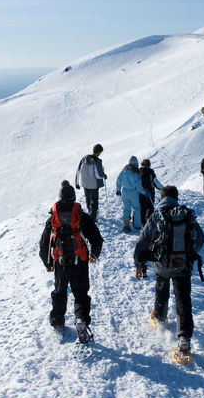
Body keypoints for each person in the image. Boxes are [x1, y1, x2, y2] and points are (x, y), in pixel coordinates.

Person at [134, 185, 204, 356]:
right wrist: (188, 253)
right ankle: (184, 338)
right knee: (183, 299)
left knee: (161, 288)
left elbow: (142, 241)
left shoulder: (157, 215)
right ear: (176, 197)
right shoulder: (187, 215)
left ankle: (160, 316)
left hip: (162, 264)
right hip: (182, 264)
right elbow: (200, 239)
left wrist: (139, 263)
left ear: (162, 197)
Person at [39, 183, 103, 342]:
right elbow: (97, 239)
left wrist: (48, 264)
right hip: (79, 261)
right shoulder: (82, 216)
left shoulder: (53, 218)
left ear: (59, 198)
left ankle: (57, 321)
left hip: (60, 263)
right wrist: (94, 254)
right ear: (74, 198)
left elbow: (44, 244)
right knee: (81, 293)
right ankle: (81, 320)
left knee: (60, 292)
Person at [116, 156, 150, 232]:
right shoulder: (136, 173)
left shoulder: (124, 171)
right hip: (133, 193)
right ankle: (137, 226)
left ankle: (126, 225)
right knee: (136, 208)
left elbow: (118, 180)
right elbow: (138, 187)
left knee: (126, 208)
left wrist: (118, 189)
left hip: (124, 192)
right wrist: (145, 192)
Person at [75, 144, 107, 221]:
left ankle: (90, 213)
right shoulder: (97, 161)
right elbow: (98, 175)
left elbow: (78, 171)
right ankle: (92, 218)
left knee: (88, 199)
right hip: (93, 184)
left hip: (84, 183)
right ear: (99, 152)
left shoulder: (84, 158)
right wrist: (104, 176)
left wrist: (77, 183)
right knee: (94, 201)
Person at [139, 158, 164, 225]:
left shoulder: (139, 171)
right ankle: (149, 221)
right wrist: (163, 189)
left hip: (141, 192)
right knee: (150, 207)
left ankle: (142, 222)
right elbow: (156, 182)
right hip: (150, 192)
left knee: (142, 206)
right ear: (149, 165)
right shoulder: (150, 172)